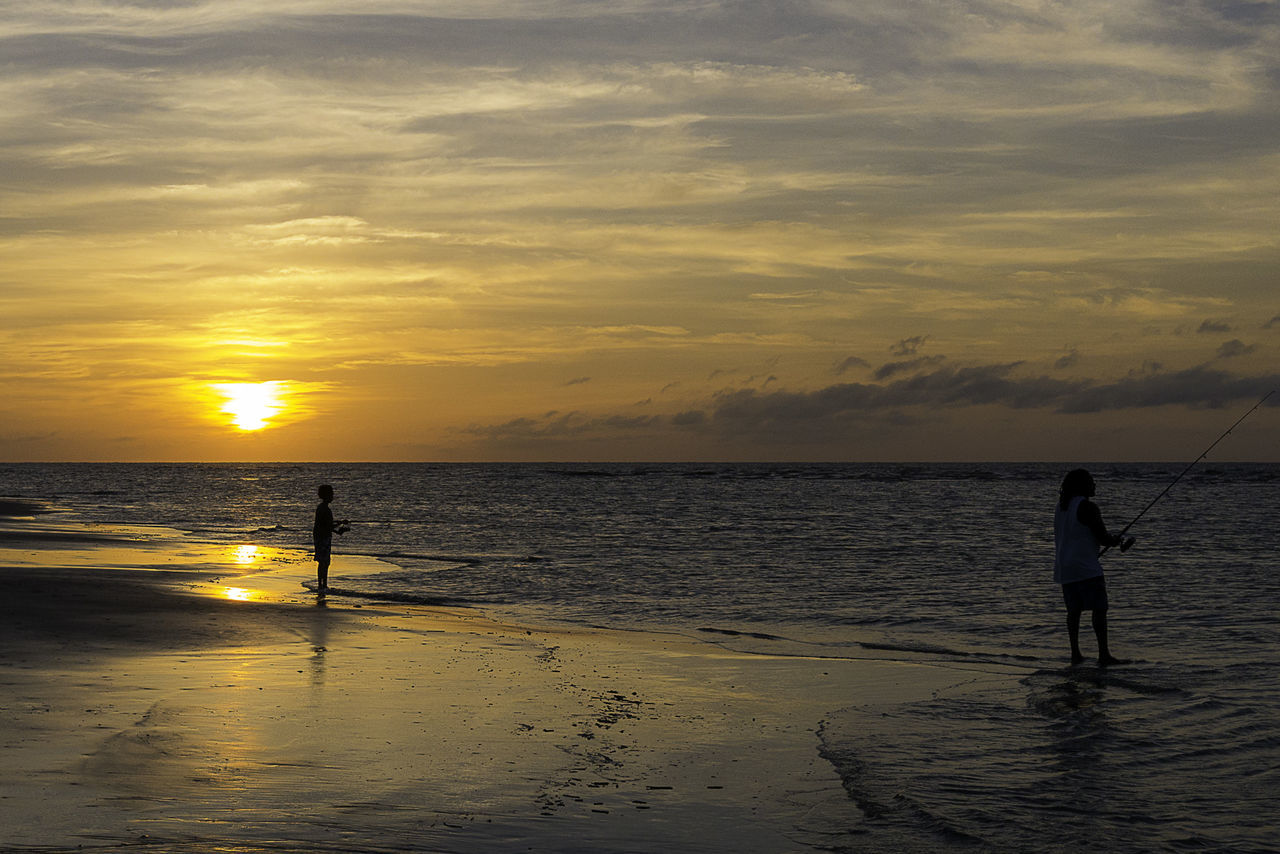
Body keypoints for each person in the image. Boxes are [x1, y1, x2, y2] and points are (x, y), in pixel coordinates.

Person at [1053, 469, 1128, 666]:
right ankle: (1104, 655)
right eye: (1091, 482)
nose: (1094, 485)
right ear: (1082, 485)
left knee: (1074, 612)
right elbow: (1102, 537)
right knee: (1099, 608)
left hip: (1065, 568)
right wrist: (1116, 540)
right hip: (1086, 568)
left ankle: (1075, 654)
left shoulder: (1061, 507)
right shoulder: (1088, 507)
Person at [313, 484, 348, 591]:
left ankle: (322, 584)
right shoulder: (326, 509)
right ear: (327, 495)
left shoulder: (321, 508)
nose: (333, 496)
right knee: (325, 562)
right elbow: (327, 526)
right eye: (331, 494)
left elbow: (326, 524)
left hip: (320, 537)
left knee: (323, 562)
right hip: (323, 538)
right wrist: (340, 527)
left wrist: (338, 527)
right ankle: (322, 585)